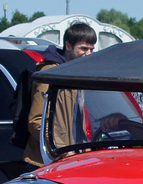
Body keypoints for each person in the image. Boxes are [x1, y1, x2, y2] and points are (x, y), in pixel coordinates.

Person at [22, 23, 97, 168]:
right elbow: (36, 121)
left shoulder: (77, 73)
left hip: (73, 159)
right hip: (47, 162)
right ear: (68, 45)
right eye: (83, 49)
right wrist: (62, 150)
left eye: (91, 49)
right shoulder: (50, 74)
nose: (88, 54)